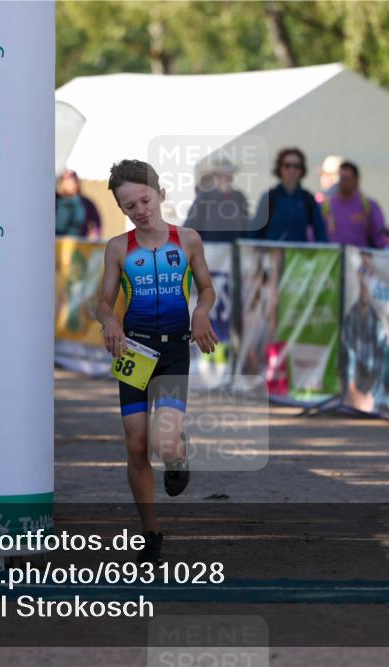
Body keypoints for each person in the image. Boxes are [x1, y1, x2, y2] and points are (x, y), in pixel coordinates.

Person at [96, 159, 218, 565]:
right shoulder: (118, 248)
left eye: (145, 200)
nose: (140, 210)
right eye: (129, 206)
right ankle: (151, 532)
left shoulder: (188, 240)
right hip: (134, 351)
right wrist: (110, 321)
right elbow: (102, 303)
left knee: (163, 441)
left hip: (172, 350)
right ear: (122, 209)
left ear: (161, 194)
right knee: (135, 445)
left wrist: (201, 313)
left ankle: (177, 451)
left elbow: (206, 288)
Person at [250, 148, 328, 242]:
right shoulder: (269, 197)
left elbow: (320, 233)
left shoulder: (308, 199)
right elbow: (254, 232)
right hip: (271, 254)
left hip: (298, 255)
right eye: (287, 165)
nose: (291, 170)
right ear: (280, 168)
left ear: (301, 169)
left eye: (296, 166)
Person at [321, 160, 388, 248]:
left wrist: (387, 250)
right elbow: (315, 235)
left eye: (347, 179)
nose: (343, 183)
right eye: (341, 179)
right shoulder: (326, 206)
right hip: (334, 259)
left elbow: (380, 236)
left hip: (360, 259)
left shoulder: (368, 205)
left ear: (356, 181)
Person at [183, 157, 250, 243]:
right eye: (223, 175)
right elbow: (190, 225)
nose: (227, 179)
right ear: (216, 177)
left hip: (233, 248)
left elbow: (246, 223)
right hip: (210, 248)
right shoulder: (204, 196)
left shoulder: (239, 196)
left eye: (229, 176)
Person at [55, 169, 101, 238]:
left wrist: (94, 233)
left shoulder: (86, 203)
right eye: (68, 180)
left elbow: (96, 223)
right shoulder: (54, 200)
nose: (72, 183)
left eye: (74, 180)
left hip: (77, 244)